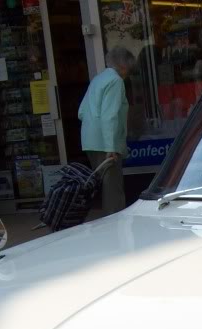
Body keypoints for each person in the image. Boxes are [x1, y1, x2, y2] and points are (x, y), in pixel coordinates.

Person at [78, 46, 135, 216]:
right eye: (129, 70)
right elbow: (109, 115)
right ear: (124, 66)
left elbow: (81, 111)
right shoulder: (116, 81)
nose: (128, 75)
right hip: (104, 143)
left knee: (105, 186)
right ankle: (115, 226)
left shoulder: (98, 79)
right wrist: (110, 147)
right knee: (113, 191)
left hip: (89, 139)